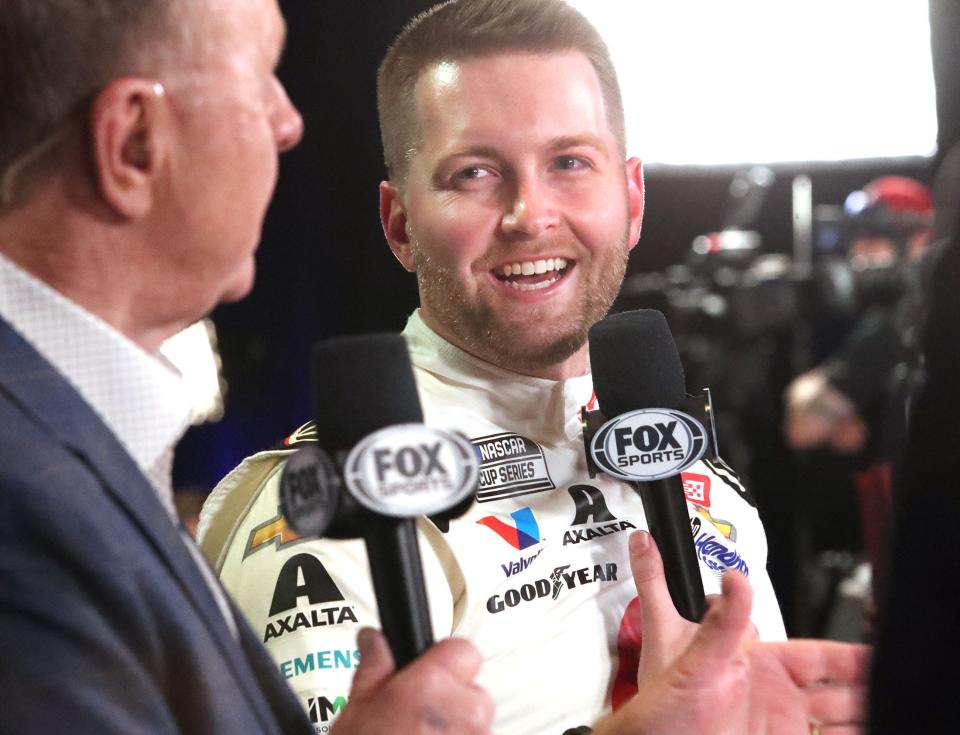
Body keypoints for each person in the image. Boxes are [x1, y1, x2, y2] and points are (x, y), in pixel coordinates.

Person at [198, 1, 865, 733]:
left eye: (569, 162)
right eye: (475, 173)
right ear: (399, 225)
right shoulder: (327, 509)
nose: (530, 213)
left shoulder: (701, 477)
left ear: (632, 197)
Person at [0, 1, 485, 733]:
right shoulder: (22, 511)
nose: (288, 122)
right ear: (134, 142)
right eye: (262, 76)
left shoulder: (67, 450)